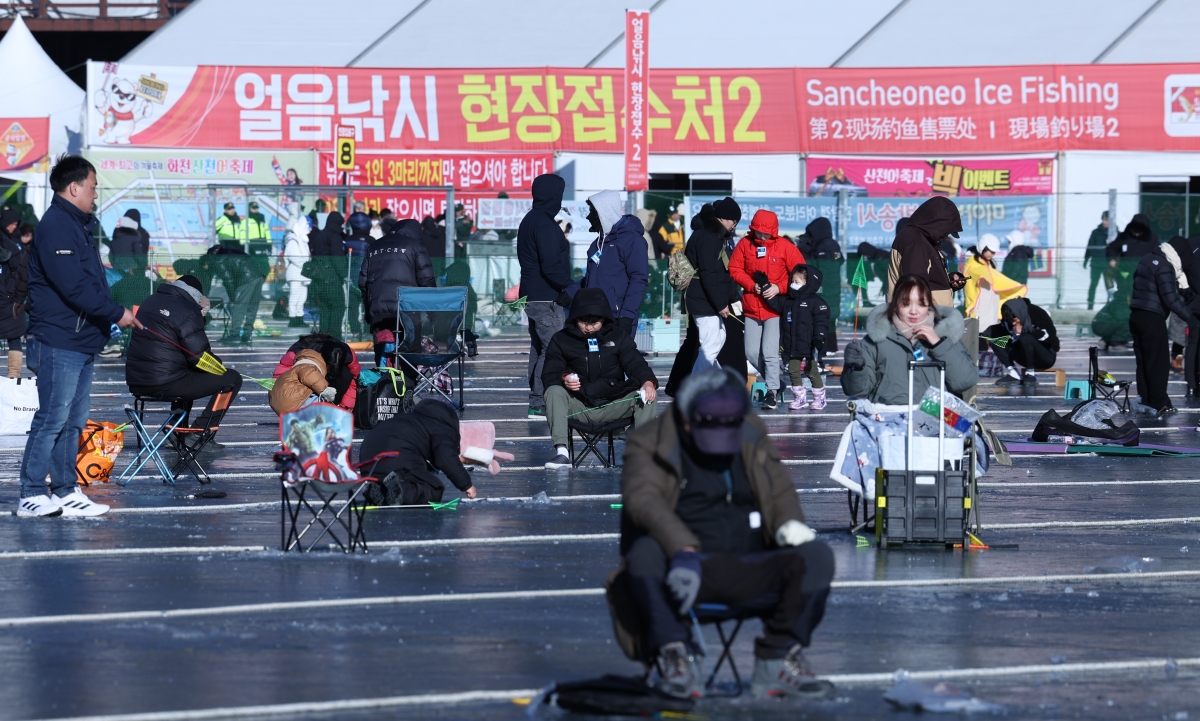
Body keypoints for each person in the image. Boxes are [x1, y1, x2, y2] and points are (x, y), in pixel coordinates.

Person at [615, 366, 835, 700]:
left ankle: (777, 657)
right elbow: (643, 501)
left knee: (816, 555)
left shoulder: (749, 428)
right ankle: (679, 658)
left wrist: (790, 525)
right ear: (688, 419)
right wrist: (683, 549)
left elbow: (779, 489)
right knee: (643, 553)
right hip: (684, 571)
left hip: (749, 562)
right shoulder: (650, 441)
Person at [18, 155, 143, 517]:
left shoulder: (77, 226)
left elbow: (91, 283)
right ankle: (30, 492)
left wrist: (107, 317)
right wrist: (117, 312)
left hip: (80, 340)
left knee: (73, 421)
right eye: (92, 187)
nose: (95, 194)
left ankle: (63, 490)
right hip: (58, 340)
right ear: (74, 188)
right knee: (51, 419)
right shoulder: (57, 225)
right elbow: (73, 286)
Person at [539, 288, 658, 469]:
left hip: (612, 403)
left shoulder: (618, 337)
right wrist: (564, 378)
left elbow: (636, 364)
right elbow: (549, 374)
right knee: (554, 391)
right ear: (574, 319)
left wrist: (648, 382)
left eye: (594, 322)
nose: (588, 327)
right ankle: (562, 453)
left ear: (604, 318)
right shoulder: (561, 339)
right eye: (583, 322)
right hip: (578, 406)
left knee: (646, 395)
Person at [127, 273, 243, 425]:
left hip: (136, 382)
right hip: (164, 383)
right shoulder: (187, 310)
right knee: (232, 379)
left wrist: (199, 315)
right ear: (196, 296)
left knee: (185, 373)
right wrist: (220, 368)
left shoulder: (149, 301)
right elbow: (200, 357)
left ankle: (176, 432)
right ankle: (201, 432)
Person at [841, 274, 975, 405]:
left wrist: (939, 344)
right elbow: (857, 390)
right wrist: (856, 368)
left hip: (936, 420)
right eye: (905, 304)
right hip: (888, 420)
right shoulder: (877, 338)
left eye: (921, 304)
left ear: (929, 304)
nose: (914, 311)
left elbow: (965, 381)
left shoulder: (945, 333)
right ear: (895, 303)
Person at [730, 209, 804, 410]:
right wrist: (750, 284)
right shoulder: (745, 244)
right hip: (752, 306)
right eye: (758, 231)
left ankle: (771, 391)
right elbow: (735, 269)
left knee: (770, 352)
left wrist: (778, 287)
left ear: (774, 231)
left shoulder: (785, 247)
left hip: (775, 308)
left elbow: (800, 273)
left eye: (766, 232)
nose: (762, 236)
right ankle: (777, 383)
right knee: (751, 352)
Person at [517, 174, 572, 416]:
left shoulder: (531, 219)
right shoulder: (545, 224)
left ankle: (536, 399)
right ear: (553, 196)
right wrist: (570, 287)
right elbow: (551, 266)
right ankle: (539, 401)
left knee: (539, 349)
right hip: (546, 296)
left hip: (532, 295)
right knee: (552, 348)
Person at [360, 399, 478, 505]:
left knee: (389, 478)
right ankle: (403, 491)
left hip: (368, 456)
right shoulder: (442, 427)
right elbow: (445, 457)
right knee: (432, 488)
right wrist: (466, 485)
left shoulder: (411, 419)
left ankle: (379, 490)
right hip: (397, 455)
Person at [1129, 237, 1198, 415]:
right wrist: (1190, 318)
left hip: (1137, 315)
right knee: (1158, 363)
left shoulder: (1148, 259)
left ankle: (1145, 398)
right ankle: (1158, 402)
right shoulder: (1164, 266)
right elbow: (1170, 298)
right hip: (1153, 318)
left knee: (1144, 361)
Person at [358, 218, 435, 367]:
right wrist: (432, 311)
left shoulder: (374, 246)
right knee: (410, 350)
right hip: (407, 309)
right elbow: (426, 280)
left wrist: (369, 312)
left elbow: (363, 283)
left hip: (378, 311)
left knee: (381, 348)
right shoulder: (415, 245)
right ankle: (408, 384)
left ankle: (384, 383)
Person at [572, 190, 649, 337]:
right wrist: (568, 292)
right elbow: (591, 278)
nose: (588, 217)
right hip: (593, 317)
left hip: (618, 317)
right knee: (593, 359)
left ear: (603, 213)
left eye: (592, 212)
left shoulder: (632, 240)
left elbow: (638, 279)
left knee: (617, 359)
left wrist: (627, 315)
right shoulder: (597, 244)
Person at [685, 197, 742, 374]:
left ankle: (712, 380)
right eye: (734, 221)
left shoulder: (708, 234)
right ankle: (695, 387)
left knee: (718, 338)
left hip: (704, 298)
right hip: (702, 299)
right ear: (723, 219)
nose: (734, 226)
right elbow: (709, 274)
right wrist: (720, 304)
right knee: (711, 345)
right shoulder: (708, 238)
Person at [765, 264, 829, 411]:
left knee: (811, 370)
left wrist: (819, 339)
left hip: (811, 344)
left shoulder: (817, 303)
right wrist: (764, 286)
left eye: (797, 282)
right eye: (792, 281)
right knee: (793, 370)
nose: (793, 285)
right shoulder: (789, 301)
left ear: (808, 284)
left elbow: (821, 323)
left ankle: (820, 398)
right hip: (793, 344)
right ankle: (800, 398)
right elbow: (773, 302)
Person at [888, 196, 966, 307]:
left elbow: (926, 280)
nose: (945, 236)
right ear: (938, 224)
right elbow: (915, 291)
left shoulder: (920, 239)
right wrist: (926, 321)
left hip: (929, 319)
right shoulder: (916, 243)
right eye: (945, 231)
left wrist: (948, 281)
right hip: (924, 321)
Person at [981, 298, 1059, 387]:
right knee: (995, 338)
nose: (1013, 324)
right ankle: (1014, 373)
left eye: (1015, 320)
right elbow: (995, 331)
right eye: (1011, 322)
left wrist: (1026, 330)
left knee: (1025, 338)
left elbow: (1050, 339)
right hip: (1025, 357)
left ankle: (1030, 374)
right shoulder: (1009, 321)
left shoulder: (1037, 313)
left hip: (1045, 356)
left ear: (1019, 314)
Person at [273, 333, 361, 412]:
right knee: (308, 376)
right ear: (322, 357)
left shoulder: (349, 357)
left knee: (347, 374)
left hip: (321, 388)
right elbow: (280, 377)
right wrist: (279, 396)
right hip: (296, 396)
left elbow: (355, 380)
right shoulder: (298, 352)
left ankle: (328, 407)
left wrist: (344, 408)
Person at [963, 233, 1026, 324]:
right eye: (991, 251)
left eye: (994, 252)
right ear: (983, 247)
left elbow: (995, 278)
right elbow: (980, 276)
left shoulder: (988, 263)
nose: (993, 254)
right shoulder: (973, 264)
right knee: (980, 332)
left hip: (990, 305)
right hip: (979, 307)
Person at [306, 211, 348, 337]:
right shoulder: (335, 236)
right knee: (338, 306)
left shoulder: (320, 235)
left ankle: (323, 336)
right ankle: (335, 336)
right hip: (332, 278)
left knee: (325, 308)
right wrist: (344, 275)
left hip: (319, 279)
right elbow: (337, 258)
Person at [804, 217, 843, 353]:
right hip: (832, 290)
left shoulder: (823, 247)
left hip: (825, 291)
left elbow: (822, 269)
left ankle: (824, 350)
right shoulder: (833, 244)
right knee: (829, 321)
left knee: (822, 320)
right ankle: (831, 348)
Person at [0, 209, 28, 377]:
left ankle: (13, 376)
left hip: (9, 299)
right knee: (14, 336)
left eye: (15, 225)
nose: (13, 227)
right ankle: (13, 376)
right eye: (10, 224)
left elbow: (19, 271)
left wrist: (9, 292)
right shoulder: (11, 245)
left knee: (14, 337)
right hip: (10, 298)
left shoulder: (12, 244)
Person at [344, 212, 373, 336]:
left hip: (350, 277)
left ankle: (355, 329)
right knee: (368, 305)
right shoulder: (371, 240)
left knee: (352, 306)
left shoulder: (346, 240)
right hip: (367, 278)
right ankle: (367, 329)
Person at [283, 216, 312, 328]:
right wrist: (307, 264)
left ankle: (299, 317)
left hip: (303, 274)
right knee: (294, 296)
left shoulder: (303, 240)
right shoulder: (293, 240)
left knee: (302, 297)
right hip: (295, 273)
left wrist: (307, 265)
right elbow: (294, 258)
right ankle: (293, 318)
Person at [1084, 211, 1113, 310]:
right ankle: (1090, 304)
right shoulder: (1096, 232)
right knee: (1093, 284)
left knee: (1109, 286)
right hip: (1096, 263)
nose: (1106, 222)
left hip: (1109, 264)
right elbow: (1090, 246)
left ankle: (1110, 306)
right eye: (1104, 219)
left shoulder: (1115, 232)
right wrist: (1086, 260)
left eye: (1108, 220)